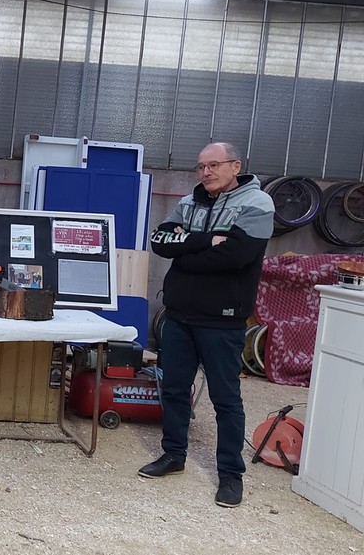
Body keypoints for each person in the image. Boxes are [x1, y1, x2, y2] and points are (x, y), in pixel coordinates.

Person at [139, 142, 274, 508]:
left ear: (235, 166)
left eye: (214, 165)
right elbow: (160, 241)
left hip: (222, 320)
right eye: (201, 166)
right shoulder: (189, 202)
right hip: (179, 316)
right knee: (173, 390)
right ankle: (174, 455)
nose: (206, 172)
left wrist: (186, 253)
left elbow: (236, 255)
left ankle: (230, 475)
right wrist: (205, 241)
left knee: (225, 399)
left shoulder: (257, 203)